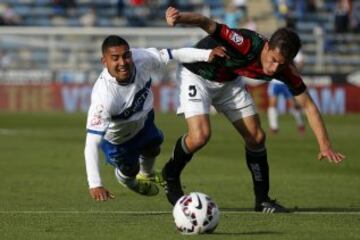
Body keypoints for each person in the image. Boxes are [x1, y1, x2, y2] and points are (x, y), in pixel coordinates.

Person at [162, 7, 345, 212]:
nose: (275, 68)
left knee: (257, 138)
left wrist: (325, 145)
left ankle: (263, 200)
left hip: (229, 82)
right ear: (267, 48)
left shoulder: (287, 71)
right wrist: (179, 18)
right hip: (196, 74)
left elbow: (309, 106)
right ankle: (170, 174)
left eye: (282, 64)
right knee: (200, 136)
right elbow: (207, 23)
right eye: (273, 60)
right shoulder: (244, 43)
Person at [84, 35, 226, 201]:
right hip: (118, 141)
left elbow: (175, 54)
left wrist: (206, 54)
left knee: (154, 146)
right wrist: (95, 183)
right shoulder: (104, 97)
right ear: (104, 61)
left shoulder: (141, 58)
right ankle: (130, 182)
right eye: (115, 58)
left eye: (126, 56)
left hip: (143, 121)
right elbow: (91, 143)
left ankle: (147, 175)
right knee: (130, 170)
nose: (122, 62)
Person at [267, 51, 305, 134]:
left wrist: (292, 69)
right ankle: (274, 127)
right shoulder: (275, 49)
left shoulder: (294, 51)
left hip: (287, 81)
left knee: (292, 104)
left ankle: (300, 124)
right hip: (275, 81)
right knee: (272, 104)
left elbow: (301, 63)